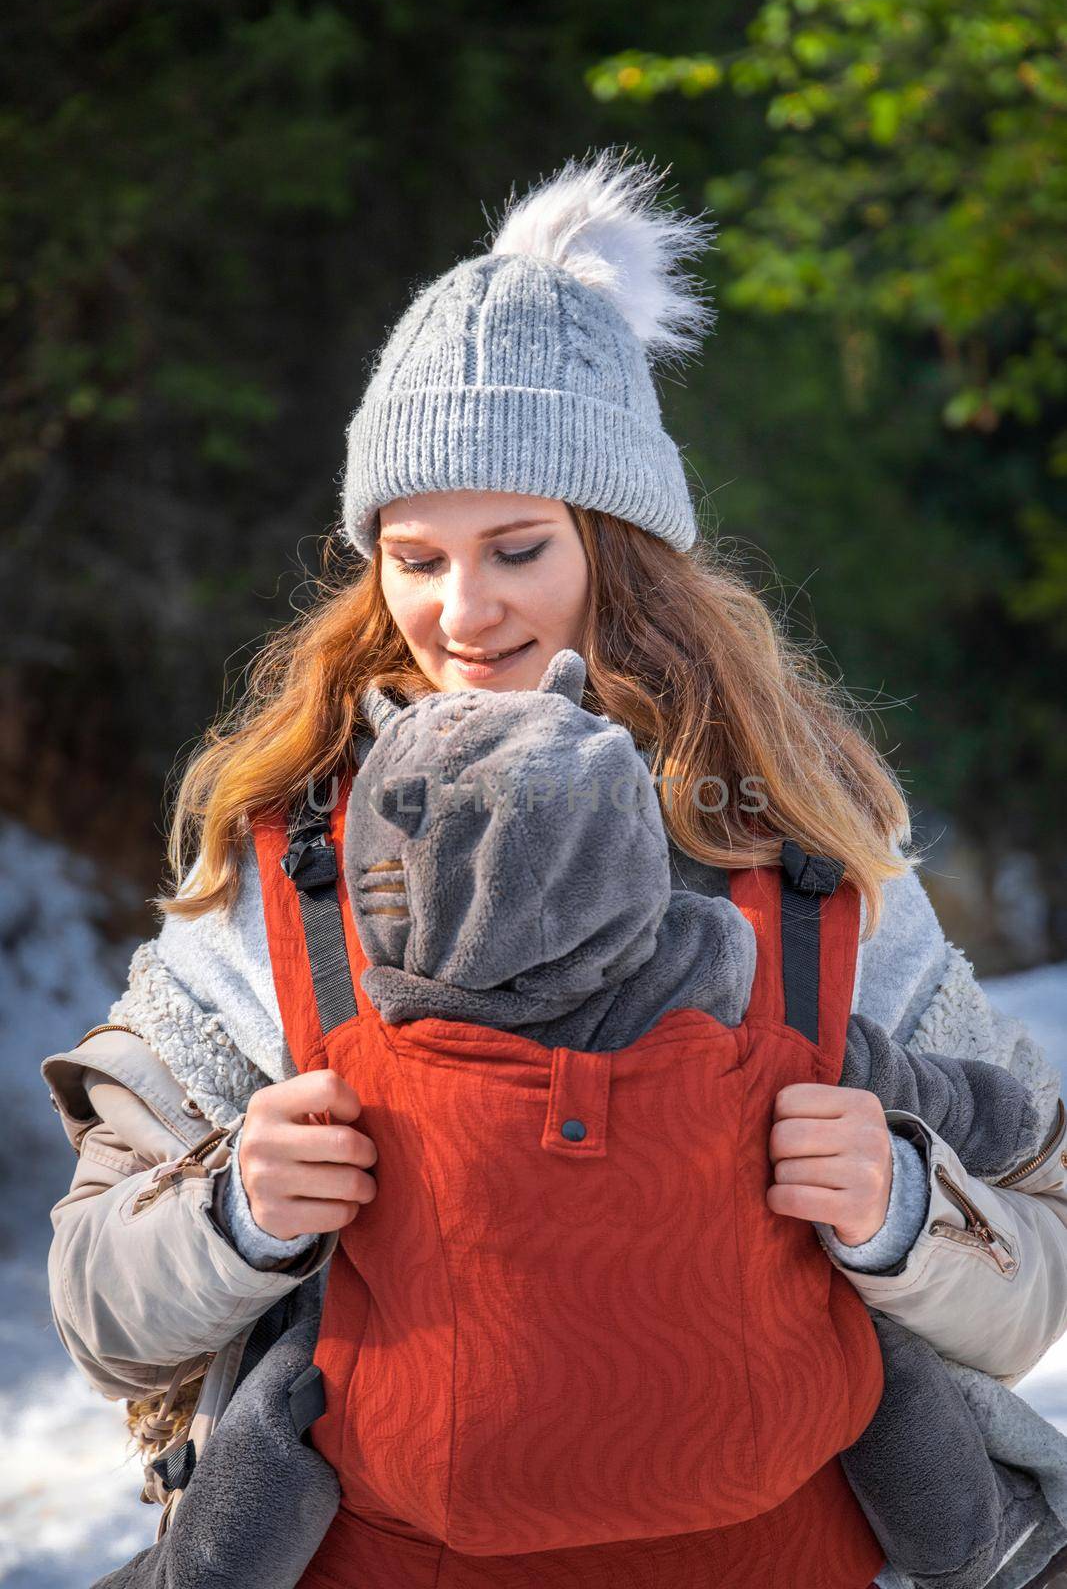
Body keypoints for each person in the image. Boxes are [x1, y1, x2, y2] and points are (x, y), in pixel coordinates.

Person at [41, 146, 1067, 1589]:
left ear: (622, 546)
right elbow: (99, 1306)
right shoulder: (300, 866)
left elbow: (1036, 1272)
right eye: (413, 555)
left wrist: (899, 1207)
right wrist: (231, 1212)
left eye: (517, 547)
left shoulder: (791, 856)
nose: (463, 610)